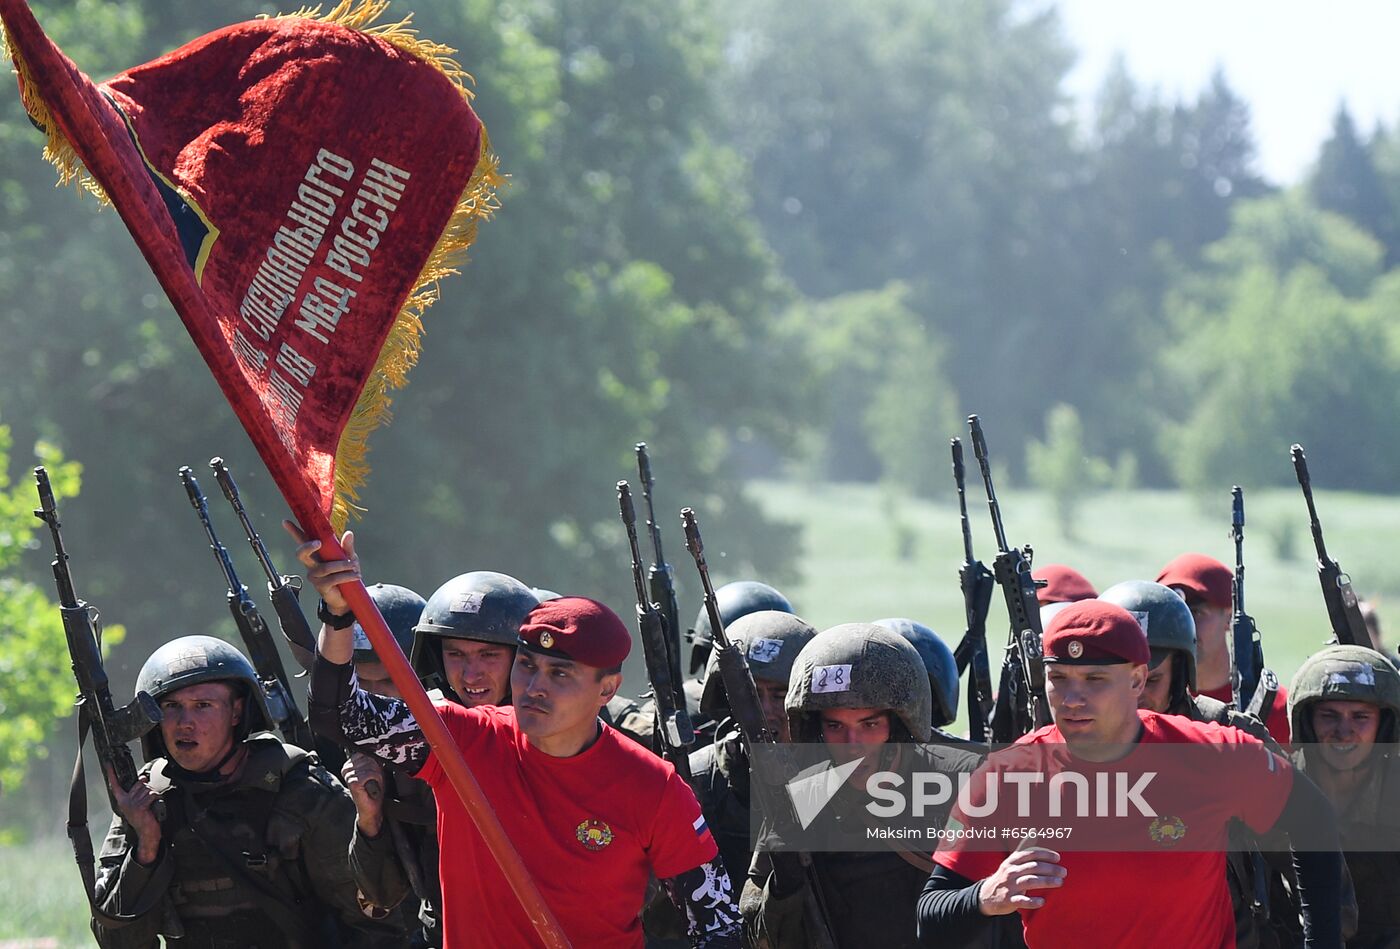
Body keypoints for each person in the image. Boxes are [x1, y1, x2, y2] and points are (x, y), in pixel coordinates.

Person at [294, 527, 742, 948]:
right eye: (527, 665)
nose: (535, 686)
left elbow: (718, 926)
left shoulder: (655, 788)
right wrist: (338, 615)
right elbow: (338, 715)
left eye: (559, 673)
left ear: (607, 688)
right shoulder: (460, 739)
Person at [919, 600, 1343, 949]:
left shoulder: (1211, 754)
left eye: (1095, 679)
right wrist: (986, 895)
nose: (1071, 698)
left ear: (1138, 679)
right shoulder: (1006, 776)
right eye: (1058, 679)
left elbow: (1313, 818)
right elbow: (932, 914)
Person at [91, 636, 397, 949]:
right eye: (172, 707)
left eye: (202, 706)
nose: (185, 723)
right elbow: (116, 941)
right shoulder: (147, 800)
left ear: (236, 712)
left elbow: (377, 918)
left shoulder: (300, 792)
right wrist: (146, 849)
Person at [741, 623, 982, 949]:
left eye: (869, 724)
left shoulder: (960, 780)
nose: (852, 744)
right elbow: (758, 935)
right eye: (835, 725)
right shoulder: (801, 800)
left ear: (897, 725)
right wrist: (784, 886)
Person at [1100, 578, 1288, 948]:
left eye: (1149, 680)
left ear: (1180, 675)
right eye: (1117, 681)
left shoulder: (1226, 737)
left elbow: (1308, 843)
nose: (1134, 697)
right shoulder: (1069, 743)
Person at [336, 582, 445, 947]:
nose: (376, 701)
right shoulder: (359, 752)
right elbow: (380, 896)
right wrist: (370, 820)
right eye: (362, 687)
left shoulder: (472, 734)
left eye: (388, 682)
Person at [1289, 645, 1400, 948]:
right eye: (1329, 716)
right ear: (1307, 723)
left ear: (1384, 725)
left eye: (1361, 717)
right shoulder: (1278, 789)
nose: (1344, 731)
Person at [1156, 552, 1291, 746]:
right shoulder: (1150, 698)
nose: (1182, 625)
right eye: (1172, 613)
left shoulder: (1277, 710)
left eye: (1196, 612)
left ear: (1229, 617)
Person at [409, 570, 539, 708]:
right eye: (455, 654)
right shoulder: (421, 719)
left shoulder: (548, 726)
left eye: (488, 655)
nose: (470, 677)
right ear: (437, 659)